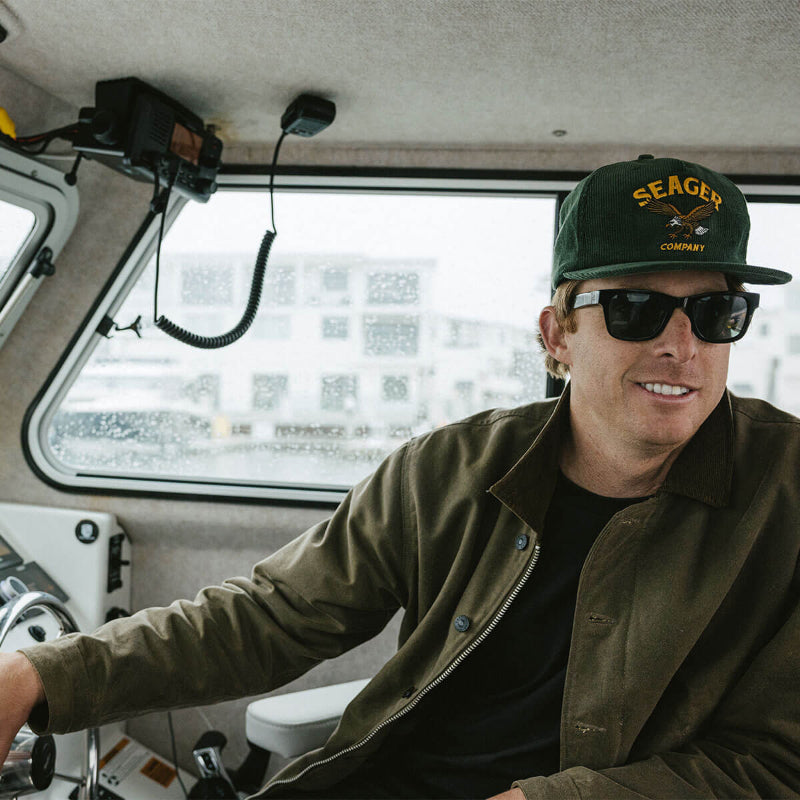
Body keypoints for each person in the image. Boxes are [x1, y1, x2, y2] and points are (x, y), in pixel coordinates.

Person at [1, 155, 798, 799]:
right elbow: (270, 617)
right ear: (557, 336)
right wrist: (39, 672)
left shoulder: (788, 496)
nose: (681, 346)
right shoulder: (444, 472)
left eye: (716, 315)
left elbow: (778, 763)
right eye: (636, 309)